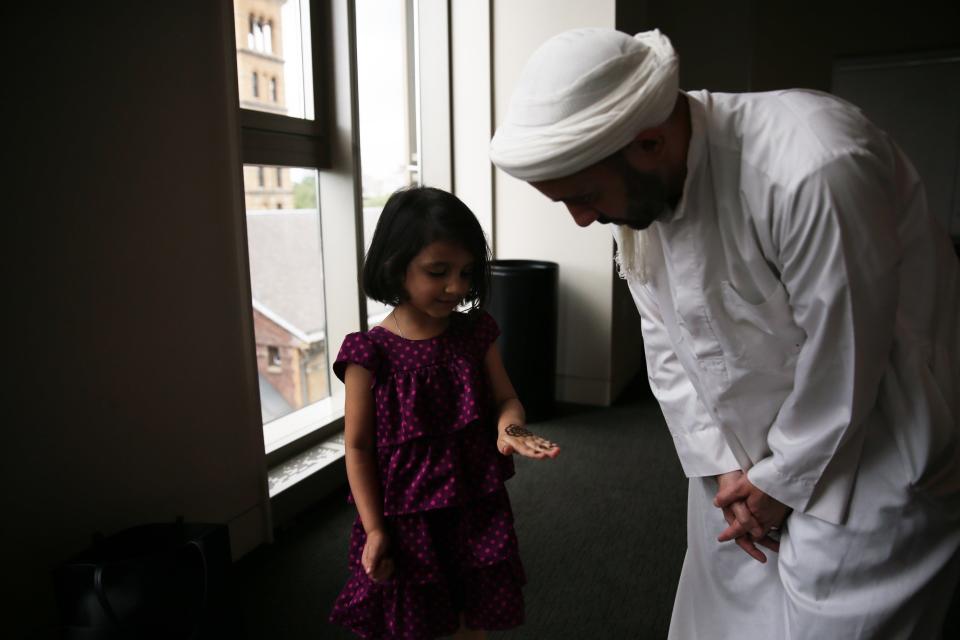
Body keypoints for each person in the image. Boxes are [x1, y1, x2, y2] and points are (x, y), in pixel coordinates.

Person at [490, 27, 960, 639]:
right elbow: (662, 334)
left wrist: (782, 480)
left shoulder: (813, 166)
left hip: (875, 440)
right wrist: (722, 465)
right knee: (717, 618)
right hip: (735, 457)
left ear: (650, 141)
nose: (582, 219)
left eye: (582, 197)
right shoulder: (635, 192)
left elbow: (845, 358)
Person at [328, 186, 560, 639]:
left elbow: (507, 400)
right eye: (438, 272)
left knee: (472, 619)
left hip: (473, 507)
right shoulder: (369, 353)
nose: (457, 287)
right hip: (406, 518)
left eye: (467, 272)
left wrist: (509, 427)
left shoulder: (474, 334)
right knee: (414, 619)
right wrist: (375, 529)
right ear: (395, 267)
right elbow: (357, 448)